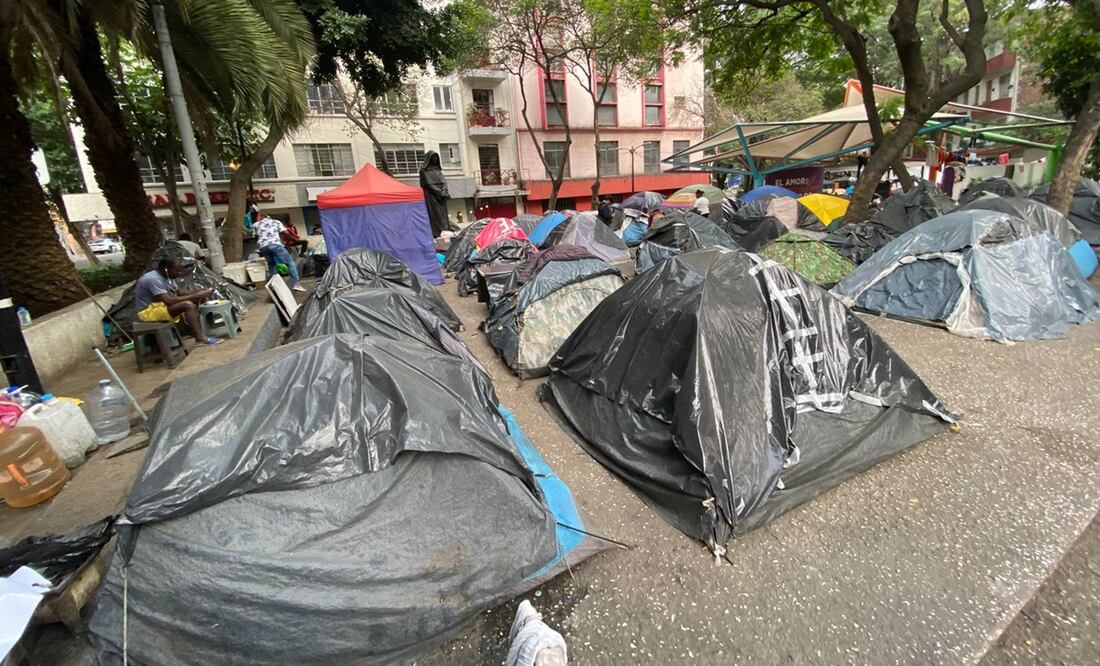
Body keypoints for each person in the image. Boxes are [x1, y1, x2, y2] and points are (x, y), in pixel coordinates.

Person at [134, 257, 221, 345]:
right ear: (166, 269)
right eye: (177, 271)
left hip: (159, 307)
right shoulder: (153, 279)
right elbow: (169, 301)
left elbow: (179, 291)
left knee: (201, 297)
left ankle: (207, 330)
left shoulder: (167, 276)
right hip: (147, 312)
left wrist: (199, 292)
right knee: (187, 305)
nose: (180, 273)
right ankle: (199, 338)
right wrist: (195, 295)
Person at [255, 214, 306, 292]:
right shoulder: (276, 222)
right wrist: (295, 240)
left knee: (271, 265)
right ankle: (297, 284)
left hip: (263, 247)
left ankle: (275, 287)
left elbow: (255, 237)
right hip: (275, 245)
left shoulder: (256, 224)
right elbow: (286, 233)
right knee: (290, 263)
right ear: (269, 218)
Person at [419, 151, 451, 238]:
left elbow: (444, 182)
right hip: (432, 197)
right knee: (436, 214)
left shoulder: (438, 171)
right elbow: (429, 184)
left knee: (444, 215)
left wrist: (444, 190)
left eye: (436, 157)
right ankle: (438, 232)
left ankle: (446, 229)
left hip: (442, 196)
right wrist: (439, 192)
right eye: (433, 157)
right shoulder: (424, 171)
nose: (435, 159)